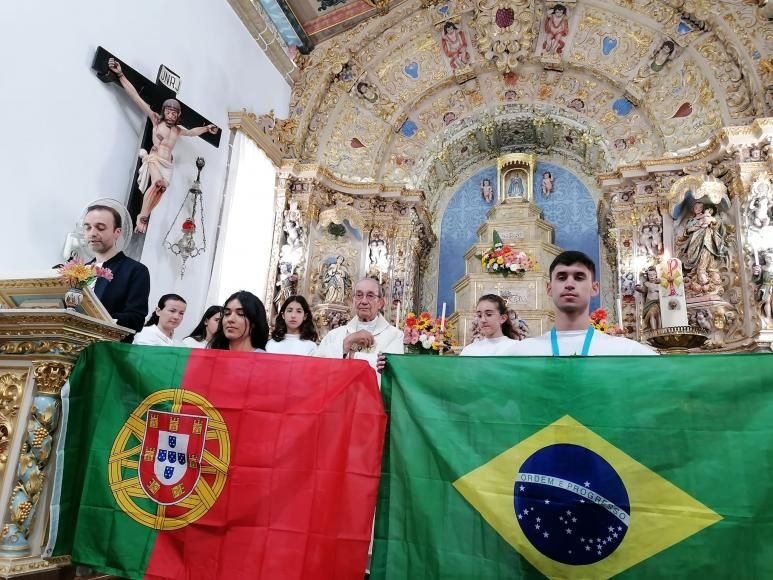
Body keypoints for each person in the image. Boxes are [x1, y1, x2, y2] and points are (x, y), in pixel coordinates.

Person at [107, 58, 219, 233]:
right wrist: (120, 74)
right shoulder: (155, 120)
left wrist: (206, 128)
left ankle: (143, 215)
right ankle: (141, 217)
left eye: (174, 113)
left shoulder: (177, 131)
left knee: (161, 189)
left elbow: (192, 132)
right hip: (154, 158)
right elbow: (136, 98)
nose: (171, 115)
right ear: (163, 111)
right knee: (157, 183)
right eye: (168, 111)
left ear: (178, 115)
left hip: (168, 165)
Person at [512, 251, 657, 355]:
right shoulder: (523, 353)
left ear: (594, 288)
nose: (569, 284)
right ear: (549, 288)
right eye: (561, 277)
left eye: (579, 277)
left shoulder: (626, 352)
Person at [83, 205, 150, 342]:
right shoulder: (79, 271)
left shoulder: (135, 270)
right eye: (88, 227)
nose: (92, 233)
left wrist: (100, 320)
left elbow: (136, 319)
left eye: (100, 227)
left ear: (117, 232)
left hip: (107, 350)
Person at [317, 278, 403, 379]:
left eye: (370, 296)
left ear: (380, 303)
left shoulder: (395, 336)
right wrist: (347, 342)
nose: (364, 301)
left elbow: (390, 374)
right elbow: (320, 369)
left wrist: (351, 355)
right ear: (353, 301)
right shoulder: (334, 335)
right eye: (359, 295)